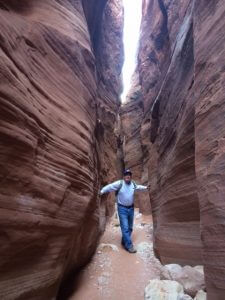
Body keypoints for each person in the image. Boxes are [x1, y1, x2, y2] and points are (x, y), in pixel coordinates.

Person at [100, 169, 149, 253]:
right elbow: (110, 187)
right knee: (125, 227)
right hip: (122, 209)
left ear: (130, 176)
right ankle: (129, 246)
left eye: (129, 174)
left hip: (131, 208)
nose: (128, 176)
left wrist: (146, 187)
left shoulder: (133, 184)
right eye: (126, 174)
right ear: (124, 176)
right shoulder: (120, 183)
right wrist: (102, 191)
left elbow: (139, 187)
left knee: (130, 228)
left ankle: (124, 241)